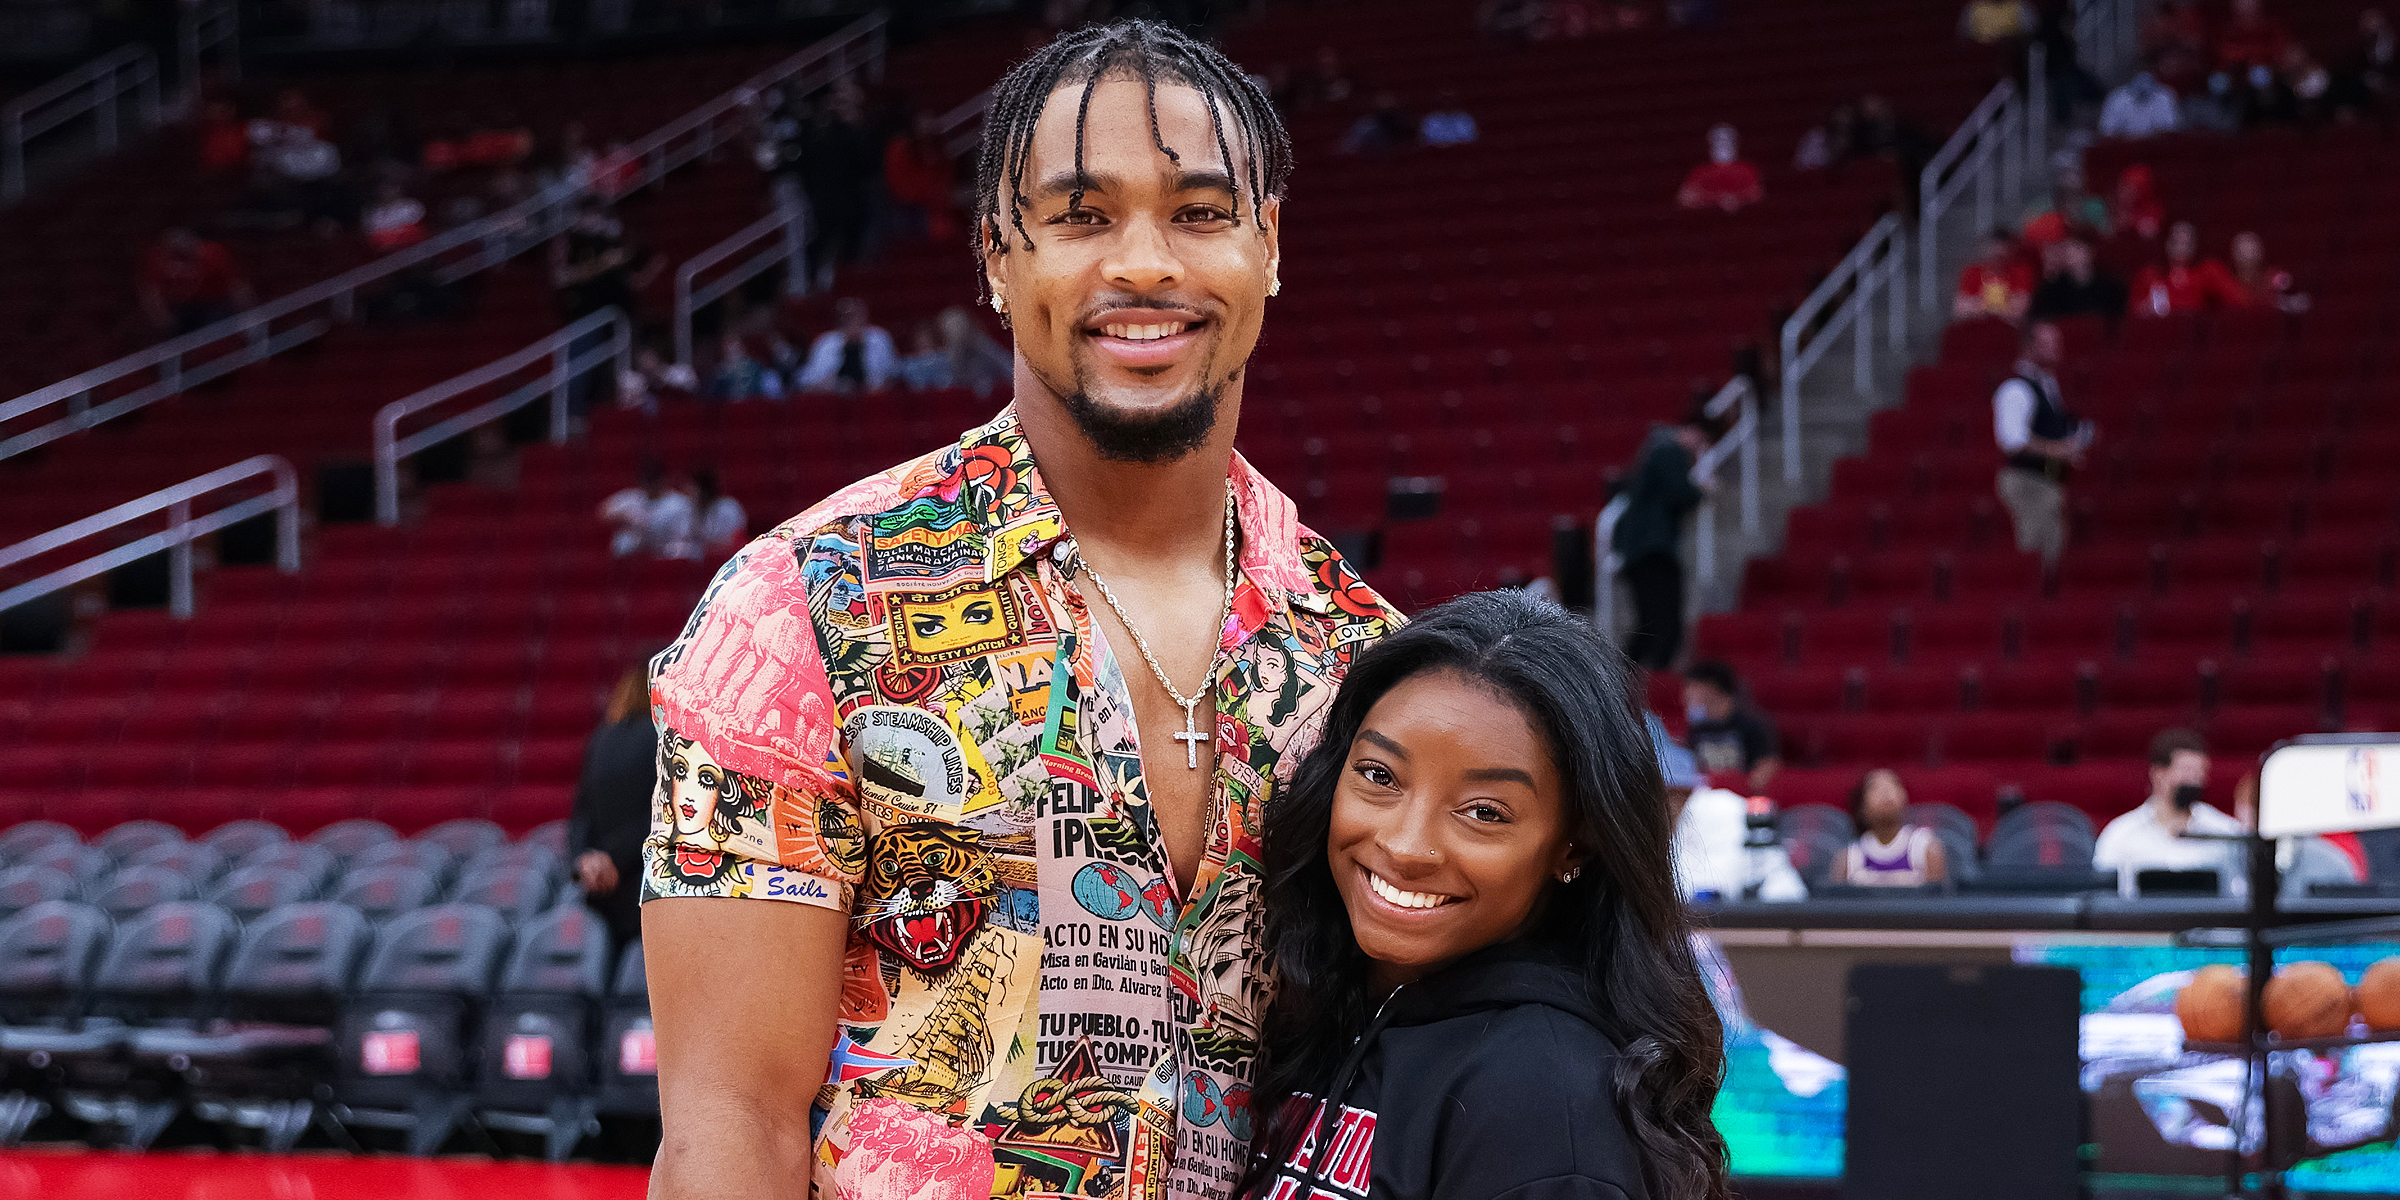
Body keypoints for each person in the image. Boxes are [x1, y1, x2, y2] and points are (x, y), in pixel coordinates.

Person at [640, 23, 1399, 1200]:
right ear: (996, 256)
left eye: (1199, 212)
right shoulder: (804, 614)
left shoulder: (1366, 657)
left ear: (1269, 247)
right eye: (1084, 216)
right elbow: (729, 1121)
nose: (1145, 263)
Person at [1248, 592, 1732, 1200]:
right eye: (1379, 775)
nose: (1405, 846)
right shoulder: (1323, 1004)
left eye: (1483, 812)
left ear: (1573, 848)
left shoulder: (1545, 1105)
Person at [1612, 409, 1714, 670]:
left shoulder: (1655, 452)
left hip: (1642, 550)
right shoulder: (1668, 451)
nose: (1699, 450)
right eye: (1700, 440)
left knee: (1650, 624)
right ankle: (1647, 684)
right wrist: (1703, 491)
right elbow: (1680, 492)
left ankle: (1618, 679)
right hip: (1652, 549)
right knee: (1664, 625)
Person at [1664, 717, 1805, 903]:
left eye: (1671, 791)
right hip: (1731, 913)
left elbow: (1723, 882)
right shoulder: (1670, 823)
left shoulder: (1721, 806)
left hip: (1777, 906)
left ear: (1684, 789)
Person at [569, 661, 659, 950]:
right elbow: (663, 814)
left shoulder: (602, 738)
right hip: (644, 880)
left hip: (599, 885)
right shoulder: (664, 739)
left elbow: (581, 815)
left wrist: (587, 858)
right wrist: (616, 859)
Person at [1991, 320, 2092, 568]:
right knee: (2036, 555)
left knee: (2053, 551)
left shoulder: (2048, 386)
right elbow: (2013, 441)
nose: (2057, 349)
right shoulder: (2016, 389)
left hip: (2048, 479)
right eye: (2048, 344)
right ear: (2029, 347)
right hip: (2029, 482)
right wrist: (2059, 450)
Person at [2093, 728, 2243, 888]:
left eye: (2201, 772)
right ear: (2158, 774)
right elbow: (2103, 895)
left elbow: (2241, 892)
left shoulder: (2225, 831)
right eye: (2186, 771)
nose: (2195, 780)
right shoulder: (2121, 834)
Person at [1830, 769, 1947, 887]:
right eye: (1875, 787)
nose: (1886, 792)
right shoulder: (1849, 858)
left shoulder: (1926, 848)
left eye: (1894, 784)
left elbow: (1938, 902)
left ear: (1905, 797)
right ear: (1861, 805)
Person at [1681, 659, 1781, 792]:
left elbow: (1767, 765)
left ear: (1711, 689)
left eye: (1691, 688)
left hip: (1740, 798)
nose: (1685, 695)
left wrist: (1741, 786)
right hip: (1707, 797)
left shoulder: (1751, 724)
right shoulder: (1697, 727)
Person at [136, 227, 255, 336]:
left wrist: (247, 312)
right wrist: (160, 316)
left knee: (214, 333)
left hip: (213, 303)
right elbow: (151, 293)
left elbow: (235, 285)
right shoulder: (159, 258)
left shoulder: (213, 253)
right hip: (180, 308)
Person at [2130, 221, 2247, 317]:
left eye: (2187, 242)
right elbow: (2133, 314)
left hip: (2198, 337)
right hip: (2162, 336)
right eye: (2176, 241)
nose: (2181, 246)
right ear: (2166, 243)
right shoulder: (2149, 275)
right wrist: (2145, 310)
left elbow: (2239, 301)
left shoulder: (2209, 271)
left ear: (2195, 245)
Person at [884, 110, 961, 244]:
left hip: (932, 204)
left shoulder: (938, 148)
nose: (926, 127)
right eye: (922, 123)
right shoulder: (900, 148)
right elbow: (900, 183)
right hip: (905, 204)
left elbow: (944, 177)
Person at [796, 296, 899, 393]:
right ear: (840, 319)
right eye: (847, 316)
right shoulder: (825, 342)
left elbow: (895, 374)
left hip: (871, 399)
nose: (852, 320)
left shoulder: (880, 338)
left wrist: (878, 382)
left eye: (856, 315)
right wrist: (822, 384)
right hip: (833, 399)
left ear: (864, 315)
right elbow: (804, 379)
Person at [598, 461, 694, 558]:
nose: (650, 487)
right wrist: (625, 516)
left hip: (665, 549)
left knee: (684, 550)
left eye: (653, 482)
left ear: (662, 481)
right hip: (638, 551)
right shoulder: (633, 497)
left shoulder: (679, 503)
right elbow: (603, 510)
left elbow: (685, 533)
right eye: (647, 482)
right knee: (624, 542)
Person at [2027, 236, 2128, 323]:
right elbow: (2040, 320)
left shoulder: (2112, 286)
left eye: (2077, 247)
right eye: (2066, 248)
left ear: (2090, 251)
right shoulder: (2051, 288)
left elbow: (2119, 322)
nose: (2070, 253)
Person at [1952, 229, 2035, 324]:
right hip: (1978, 327)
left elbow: (2021, 310)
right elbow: (1961, 310)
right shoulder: (1972, 273)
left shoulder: (2020, 272)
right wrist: (2004, 309)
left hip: (2010, 329)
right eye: (1993, 255)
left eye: (2001, 256)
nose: (1996, 261)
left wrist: (1980, 307)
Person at [1676, 124, 1762, 212]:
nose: (1723, 144)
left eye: (1728, 140)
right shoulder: (1701, 172)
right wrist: (1717, 199)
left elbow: (1757, 196)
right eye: (1718, 140)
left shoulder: (1747, 170)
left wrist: (1737, 200)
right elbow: (1685, 198)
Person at [2229, 229, 2308, 312]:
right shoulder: (2226, 281)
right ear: (2233, 254)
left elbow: (2295, 300)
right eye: (2242, 251)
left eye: (2252, 249)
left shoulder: (2274, 276)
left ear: (2261, 253)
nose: (2248, 255)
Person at [2100, 67, 2184, 138]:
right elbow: (2108, 131)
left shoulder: (2166, 97)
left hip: (2157, 148)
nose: (2143, 87)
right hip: (2125, 149)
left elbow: (2170, 129)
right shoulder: (2117, 98)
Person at [686, 467, 747, 557]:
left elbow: (735, 540)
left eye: (693, 489)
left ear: (703, 490)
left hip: (729, 556)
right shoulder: (693, 511)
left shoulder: (729, 507)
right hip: (705, 561)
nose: (690, 493)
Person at [1338, 92, 1415, 155]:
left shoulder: (1403, 124)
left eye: (1391, 110)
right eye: (1384, 110)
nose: (1387, 114)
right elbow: (1349, 148)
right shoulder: (1365, 126)